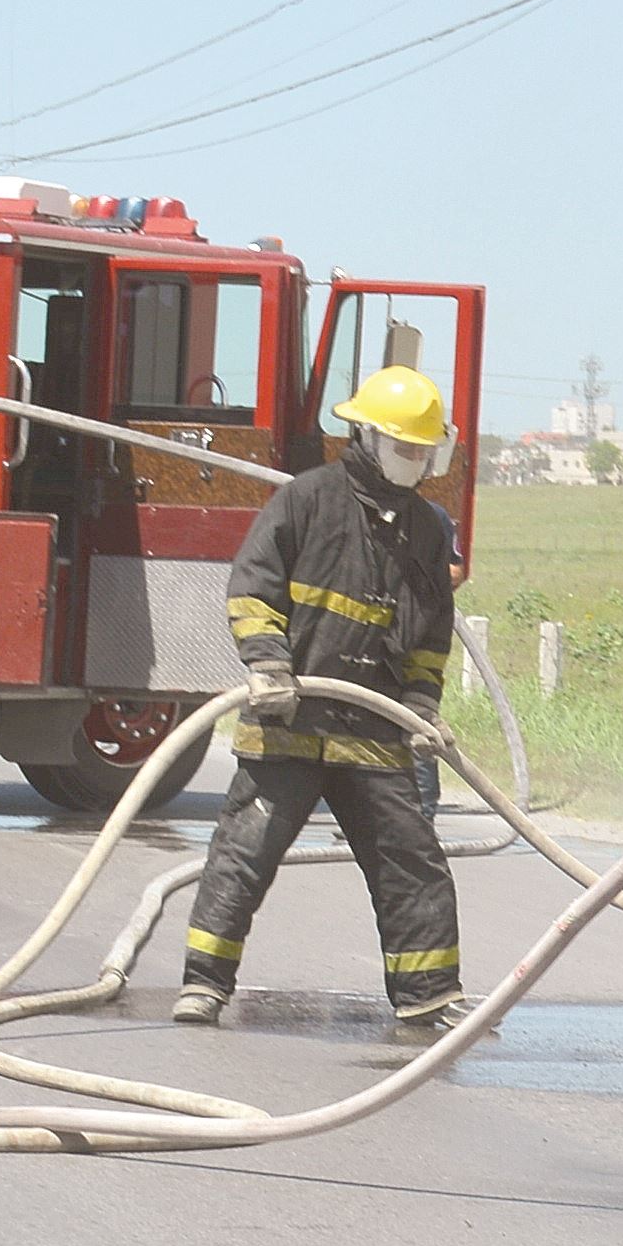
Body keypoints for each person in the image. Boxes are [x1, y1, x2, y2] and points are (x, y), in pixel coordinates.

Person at [173, 366, 468, 1033]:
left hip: (374, 731)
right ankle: (204, 983)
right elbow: (253, 586)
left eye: (426, 451)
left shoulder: (425, 527)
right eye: (407, 448)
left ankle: (429, 992)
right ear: (365, 435)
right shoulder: (306, 500)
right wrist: (269, 663)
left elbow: (430, 631)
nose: (417, 462)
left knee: (411, 860)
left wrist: (421, 702)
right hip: (291, 720)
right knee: (244, 854)